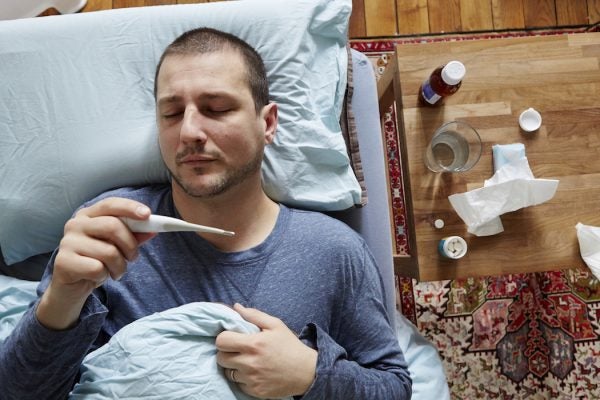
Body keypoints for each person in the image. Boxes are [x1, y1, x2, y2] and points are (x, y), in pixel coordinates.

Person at [0, 28, 412, 399]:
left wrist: (311, 375)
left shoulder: (334, 252)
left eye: (216, 108)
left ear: (267, 123)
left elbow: (394, 387)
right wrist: (61, 300)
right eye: (172, 113)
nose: (190, 132)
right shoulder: (108, 229)